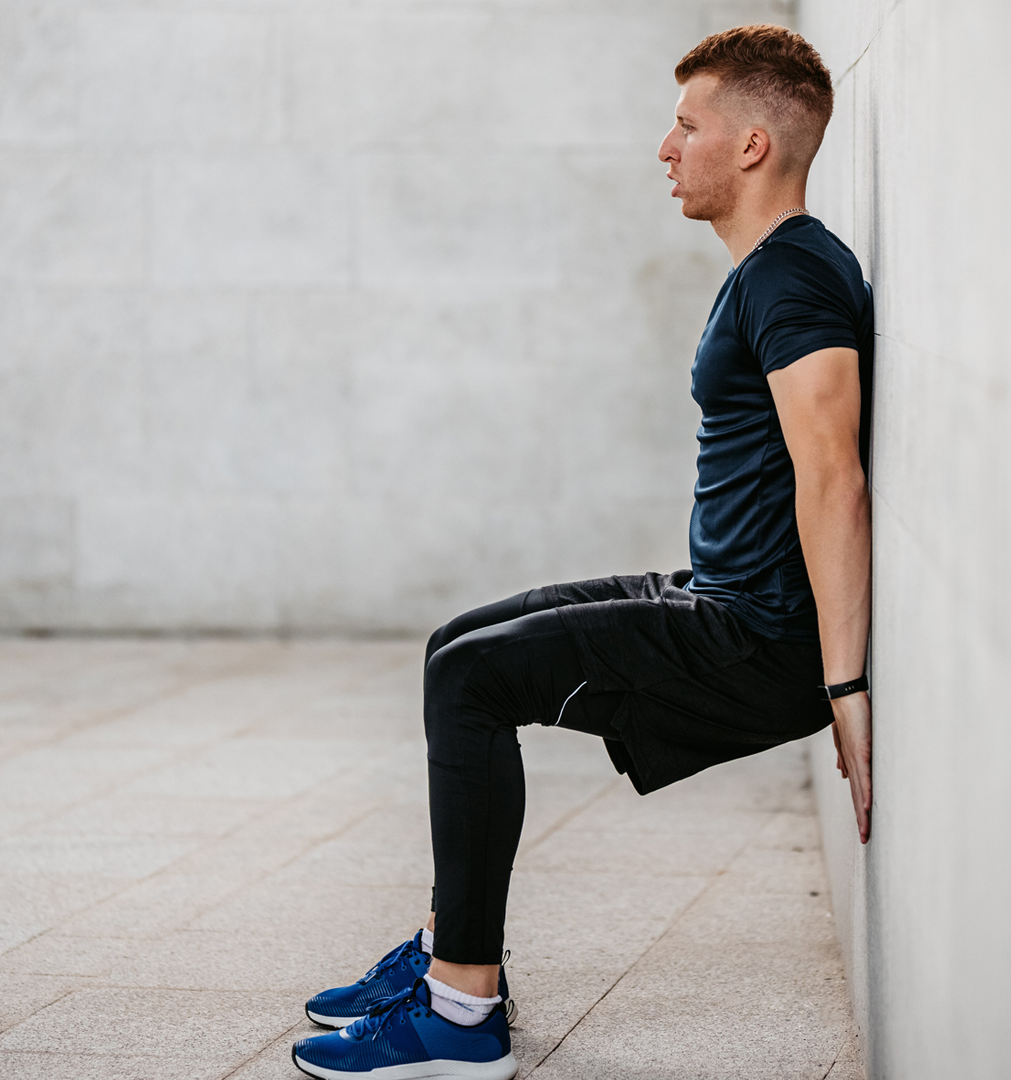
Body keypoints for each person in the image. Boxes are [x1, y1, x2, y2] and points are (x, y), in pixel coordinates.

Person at [290, 24, 874, 1080]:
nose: (665, 147)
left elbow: (834, 470)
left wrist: (845, 681)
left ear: (750, 145)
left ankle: (461, 1021)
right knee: (456, 645)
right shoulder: (772, 269)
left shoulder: (795, 280)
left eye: (687, 125)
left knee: (474, 678)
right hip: (722, 594)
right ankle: (444, 954)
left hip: (755, 635)